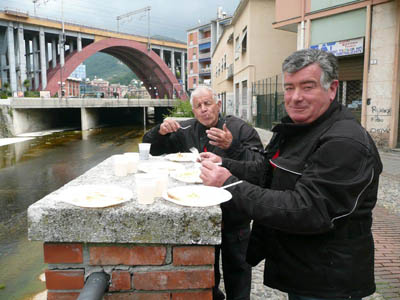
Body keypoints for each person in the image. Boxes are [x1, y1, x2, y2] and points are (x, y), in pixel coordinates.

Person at [199, 49, 383, 300]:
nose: (295, 97)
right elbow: (268, 170)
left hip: (328, 280)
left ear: (332, 89)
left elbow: (307, 209)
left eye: (307, 87)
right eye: (288, 88)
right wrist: (225, 163)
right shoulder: (298, 127)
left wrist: (229, 184)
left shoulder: (345, 141)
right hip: (303, 269)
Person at [142, 85, 263, 300]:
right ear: (193, 111)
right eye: (198, 106)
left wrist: (232, 145)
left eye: (208, 103)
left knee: (238, 268)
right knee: (208, 267)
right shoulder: (185, 130)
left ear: (218, 104)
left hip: (235, 213)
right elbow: (150, 150)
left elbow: (261, 168)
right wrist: (158, 131)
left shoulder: (240, 129)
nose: (204, 109)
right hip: (201, 211)